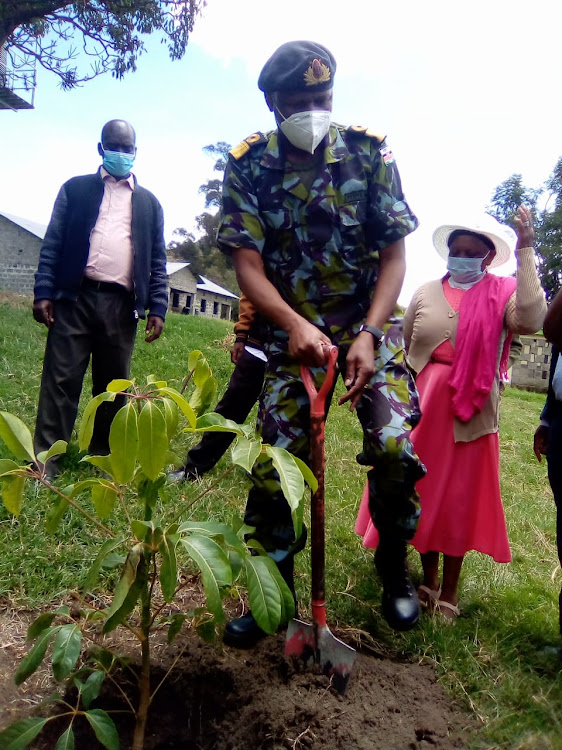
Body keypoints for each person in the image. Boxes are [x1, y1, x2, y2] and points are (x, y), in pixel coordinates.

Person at [217, 40, 425, 647]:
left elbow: (394, 257)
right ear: (273, 102)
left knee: (393, 449)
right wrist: (293, 325)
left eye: (323, 98)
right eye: (301, 100)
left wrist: (366, 334)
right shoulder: (249, 166)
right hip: (291, 336)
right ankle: (271, 594)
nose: (314, 108)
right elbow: (248, 266)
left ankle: (394, 568)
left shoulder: (369, 154)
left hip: (367, 331)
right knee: (275, 463)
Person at [356, 208, 547, 619]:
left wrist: (527, 247)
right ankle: (426, 579)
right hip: (423, 405)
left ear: (486, 258)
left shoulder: (504, 293)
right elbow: (406, 348)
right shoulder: (425, 292)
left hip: (473, 411)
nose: (461, 256)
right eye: (456, 250)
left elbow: (532, 319)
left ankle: (451, 590)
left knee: (459, 497)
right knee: (421, 490)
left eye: (471, 252)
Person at [33, 119, 168, 477]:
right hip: (73, 299)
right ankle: (48, 461)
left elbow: (157, 260)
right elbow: (53, 243)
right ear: (100, 149)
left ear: (136, 152)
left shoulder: (149, 204)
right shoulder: (74, 190)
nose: (121, 154)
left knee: (113, 388)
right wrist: (44, 291)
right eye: (115, 146)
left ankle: (103, 457)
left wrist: (158, 306)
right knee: (60, 380)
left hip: (121, 306)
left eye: (128, 148)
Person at [169, 294, 267, 481]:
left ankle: (263, 467)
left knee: (275, 415)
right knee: (231, 407)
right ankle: (195, 466)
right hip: (258, 343)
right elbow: (250, 290)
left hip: (295, 352)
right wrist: (242, 333)